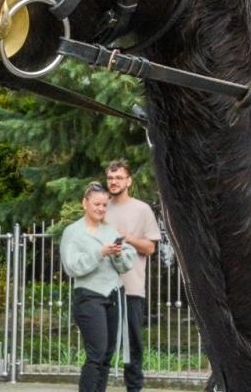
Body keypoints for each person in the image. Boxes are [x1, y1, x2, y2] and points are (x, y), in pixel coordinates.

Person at [61, 181, 136, 392]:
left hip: (113, 296)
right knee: (96, 354)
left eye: (104, 205)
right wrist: (100, 252)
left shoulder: (110, 230)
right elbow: (72, 266)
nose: (101, 209)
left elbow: (126, 263)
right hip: (89, 297)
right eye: (96, 204)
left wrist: (119, 253)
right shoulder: (72, 232)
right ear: (85, 203)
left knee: (106, 356)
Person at [104, 159, 162, 392]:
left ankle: (134, 389)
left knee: (133, 345)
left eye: (118, 178)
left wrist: (128, 238)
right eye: (110, 178)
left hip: (131, 289)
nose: (114, 182)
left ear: (128, 180)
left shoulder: (142, 209)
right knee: (102, 346)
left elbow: (150, 248)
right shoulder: (100, 207)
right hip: (102, 288)